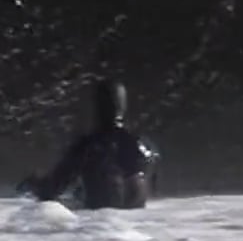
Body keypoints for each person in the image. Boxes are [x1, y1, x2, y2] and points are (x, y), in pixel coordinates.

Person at [21, 79, 159, 209]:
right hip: (139, 225)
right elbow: (152, 186)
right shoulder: (146, 147)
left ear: (98, 107)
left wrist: (32, 184)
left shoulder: (89, 146)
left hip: (98, 225)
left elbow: (51, 189)